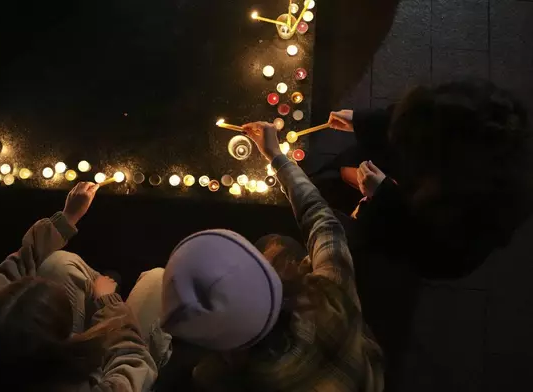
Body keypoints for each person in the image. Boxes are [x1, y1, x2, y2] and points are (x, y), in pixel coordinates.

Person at [135, 121, 384, 392]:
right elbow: (323, 221)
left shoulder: (219, 380)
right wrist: (276, 156)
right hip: (367, 373)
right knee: (279, 243)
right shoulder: (330, 296)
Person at [0, 182, 157, 392]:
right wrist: (109, 304)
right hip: (115, 366)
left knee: (59, 263)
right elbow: (132, 361)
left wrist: (68, 217)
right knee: (156, 280)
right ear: (60, 349)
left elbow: (15, 266)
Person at [327, 79, 532, 278]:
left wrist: (384, 198)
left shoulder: (480, 214)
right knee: (337, 175)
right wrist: (364, 121)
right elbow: (422, 117)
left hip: (405, 233)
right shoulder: (462, 112)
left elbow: (429, 252)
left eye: (413, 156)